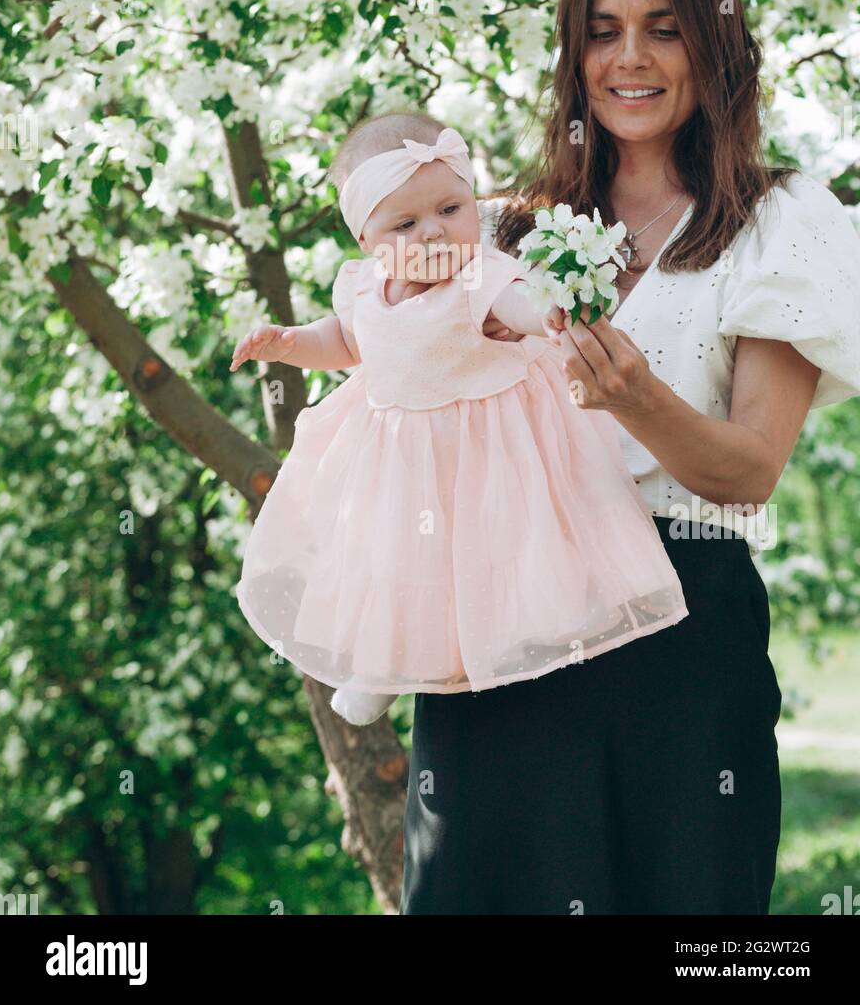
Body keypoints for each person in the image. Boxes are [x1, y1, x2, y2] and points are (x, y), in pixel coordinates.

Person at [399, 0, 860, 915]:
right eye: (603, 32)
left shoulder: (773, 224)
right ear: (575, 54)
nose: (630, 59)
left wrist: (639, 397)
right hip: (500, 623)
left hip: (682, 636)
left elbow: (749, 469)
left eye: (664, 27)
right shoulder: (500, 230)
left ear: (714, 39)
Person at [231, 116, 689, 727]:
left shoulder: (480, 275)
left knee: (505, 549)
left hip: (494, 447)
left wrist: (551, 309)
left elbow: (518, 305)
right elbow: (343, 340)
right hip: (405, 457)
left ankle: (539, 628)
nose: (434, 233)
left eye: (451, 209)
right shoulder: (366, 289)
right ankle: (381, 667)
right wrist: (289, 343)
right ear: (367, 240)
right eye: (406, 224)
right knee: (395, 560)